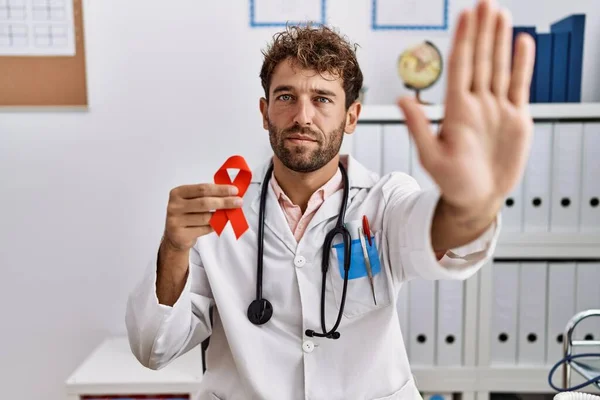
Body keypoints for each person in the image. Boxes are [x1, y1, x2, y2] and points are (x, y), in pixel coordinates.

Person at [125, 0, 535, 398]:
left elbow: (440, 233)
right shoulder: (218, 211)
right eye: (286, 97)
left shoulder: (384, 201)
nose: (302, 116)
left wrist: (470, 203)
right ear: (265, 111)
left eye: (322, 99)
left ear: (351, 116)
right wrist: (174, 247)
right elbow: (154, 348)